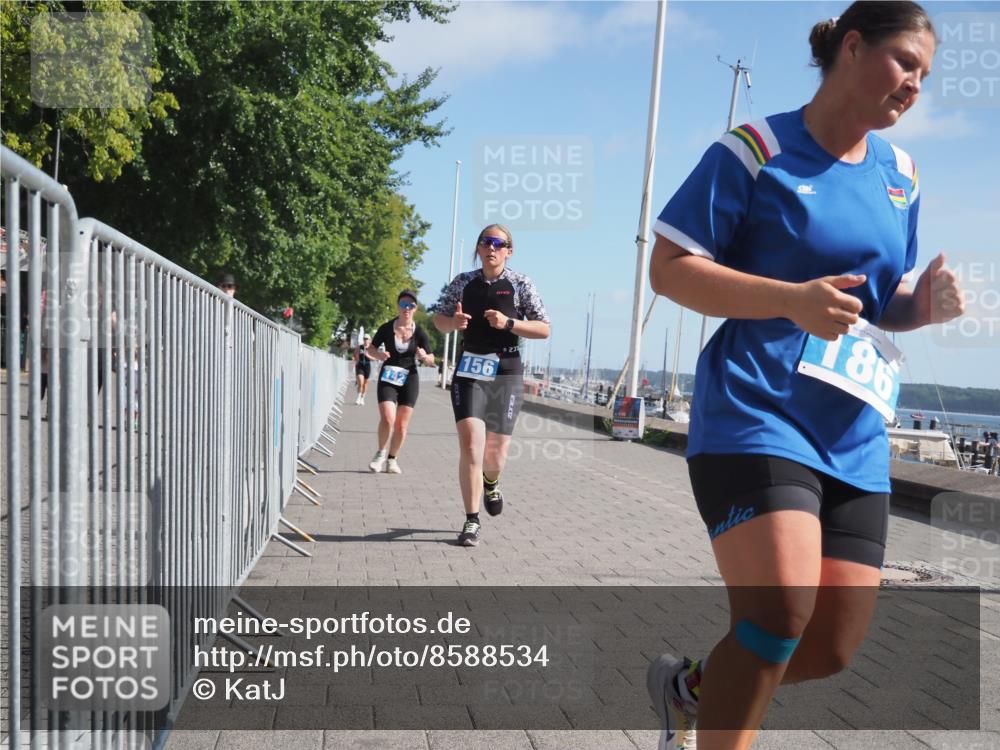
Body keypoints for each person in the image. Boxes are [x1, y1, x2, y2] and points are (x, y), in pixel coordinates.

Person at [643, 4, 963, 749]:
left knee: (827, 647)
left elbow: (878, 304)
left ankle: (687, 689)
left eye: (925, 74)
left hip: (853, 435)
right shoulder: (756, 149)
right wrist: (790, 301)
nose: (915, 85)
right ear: (852, 48)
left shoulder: (903, 176)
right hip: (756, 413)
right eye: (904, 63)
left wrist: (925, 306)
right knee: (777, 615)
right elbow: (669, 268)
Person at [433, 224, 550, 547]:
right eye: (486, 242)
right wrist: (452, 324)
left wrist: (509, 323)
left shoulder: (520, 283)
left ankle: (491, 480)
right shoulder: (463, 282)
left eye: (499, 243)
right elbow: (438, 319)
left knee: (495, 455)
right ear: (479, 248)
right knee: (471, 445)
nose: (491, 248)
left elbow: (544, 329)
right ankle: (472, 520)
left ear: (509, 251)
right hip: (470, 367)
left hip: (506, 369)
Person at [367, 291, 435, 474]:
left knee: (402, 425)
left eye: (411, 305)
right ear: (398, 306)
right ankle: (380, 453)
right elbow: (370, 349)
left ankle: (392, 459)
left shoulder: (420, 332)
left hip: (410, 378)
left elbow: (431, 359)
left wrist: (424, 356)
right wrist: (379, 355)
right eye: (403, 304)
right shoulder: (386, 328)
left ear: (415, 309)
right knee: (388, 418)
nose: (407, 309)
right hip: (388, 375)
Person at [353, 333, 373, 405]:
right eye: (364, 338)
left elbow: (374, 358)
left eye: (366, 339)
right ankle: (358, 397)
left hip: (367, 365)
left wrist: (367, 355)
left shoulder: (371, 348)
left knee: (365, 384)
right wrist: (356, 359)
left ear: (369, 340)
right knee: (360, 382)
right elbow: (355, 354)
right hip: (360, 365)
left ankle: (362, 398)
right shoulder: (359, 347)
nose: (365, 340)